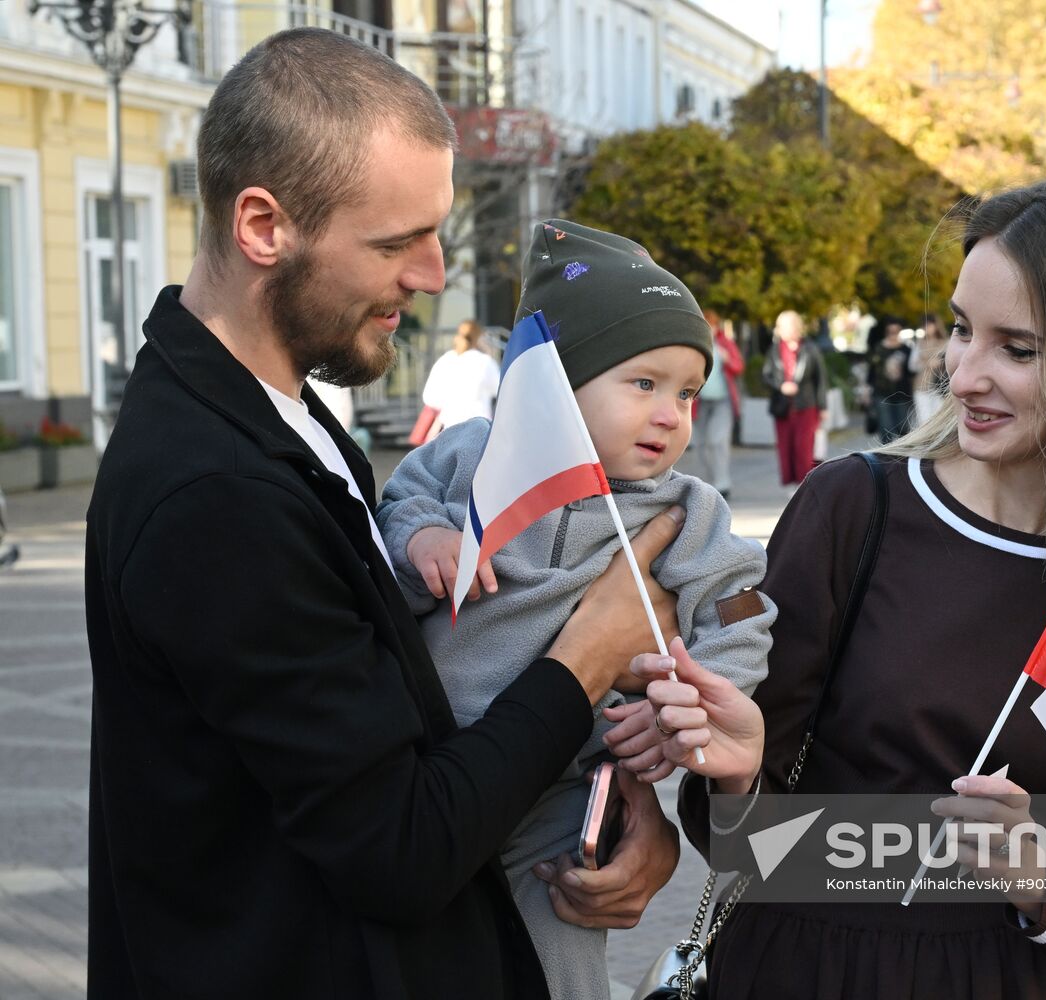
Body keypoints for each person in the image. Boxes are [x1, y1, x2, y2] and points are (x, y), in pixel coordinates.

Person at [83, 30, 683, 1000]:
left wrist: (619, 796)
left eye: (436, 232)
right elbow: (400, 846)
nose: (435, 274)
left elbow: (413, 718)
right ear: (263, 226)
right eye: (397, 241)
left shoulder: (280, 415)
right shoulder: (214, 494)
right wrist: (588, 655)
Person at [640, 181, 1046, 999]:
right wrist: (736, 781)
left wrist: (1045, 879)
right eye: (959, 331)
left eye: (1016, 349)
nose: (963, 374)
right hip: (801, 969)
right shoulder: (854, 506)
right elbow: (744, 842)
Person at [376, 219, 775, 1000]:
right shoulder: (472, 455)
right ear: (557, 385)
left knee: (561, 955)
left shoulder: (686, 509)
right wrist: (423, 540)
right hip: (425, 777)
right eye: (644, 384)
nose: (672, 414)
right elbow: (398, 504)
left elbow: (739, 612)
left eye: (688, 393)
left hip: (562, 798)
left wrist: (686, 702)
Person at [762, 310, 827, 486]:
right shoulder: (774, 350)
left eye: (790, 326)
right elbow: (766, 375)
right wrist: (781, 385)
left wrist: (823, 407)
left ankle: (805, 483)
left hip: (806, 405)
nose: (786, 330)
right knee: (785, 447)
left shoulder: (810, 348)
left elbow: (820, 379)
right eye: (782, 326)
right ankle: (790, 484)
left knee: (804, 447)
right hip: (782, 406)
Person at [419, 317, 501, 442]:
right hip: (479, 428)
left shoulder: (446, 360)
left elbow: (429, 398)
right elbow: (498, 390)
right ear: (479, 338)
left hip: (449, 427)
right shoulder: (485, 362)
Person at [693, 308, 745, 497]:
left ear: (716, 327)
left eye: (711, 326)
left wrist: (727, 358)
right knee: (700, 444)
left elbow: (739, 366)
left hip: (722, 401)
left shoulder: (724, 343)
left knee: (718, 440)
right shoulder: (695, 345)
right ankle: (709, 482)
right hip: (699, 402)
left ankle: (722, 483)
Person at [867, 318, 913, 443]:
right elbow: (872, 371)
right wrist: (867, 389)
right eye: (890, 331)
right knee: (885, 427)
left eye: (895, 331)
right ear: (886, 332)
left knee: (902, 428)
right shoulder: (878, 348)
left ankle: (902, 456)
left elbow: (911, 371)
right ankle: (886, 457)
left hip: (901, 393)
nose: (893, 334)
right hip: (881, 392)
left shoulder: (906, 349)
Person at [909, 312, 950, 426]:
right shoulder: (919, 343)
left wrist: (940, 362)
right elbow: (912, 366)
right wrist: (927, 363)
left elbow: (952, 363)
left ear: (936, 325)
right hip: (921, 386)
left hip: (940, 386)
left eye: (929, 325)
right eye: (924, 325)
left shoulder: (946, 342)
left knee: (938, 422)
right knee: (924, 422)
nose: (926, 328)